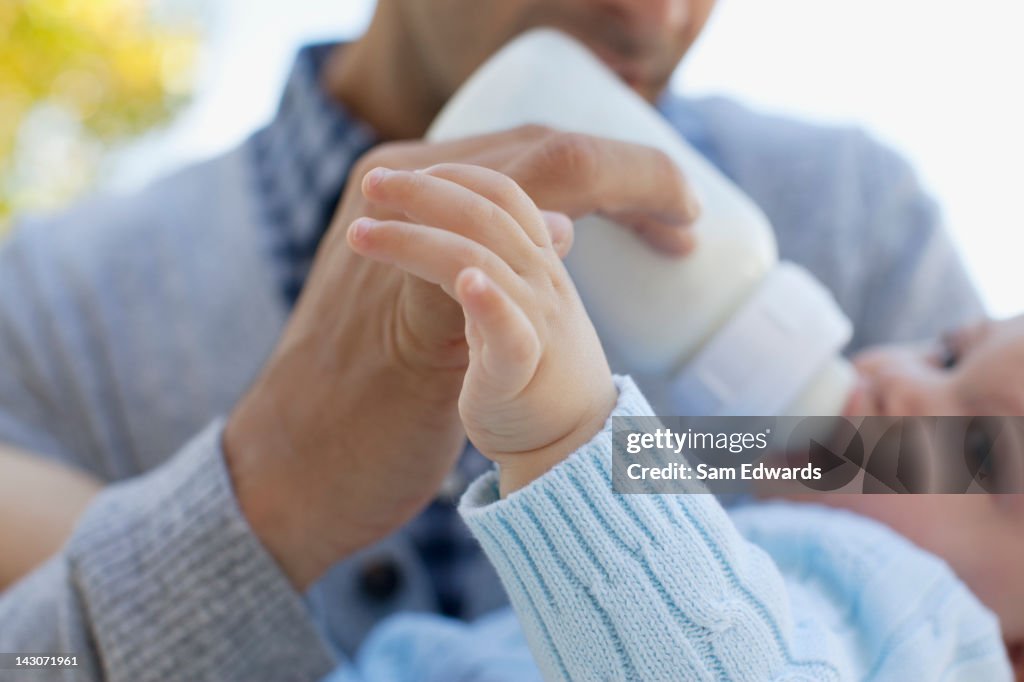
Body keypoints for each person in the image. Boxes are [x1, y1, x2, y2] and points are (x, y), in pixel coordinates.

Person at [0, 0, 986, 679]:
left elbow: (982, 499)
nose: (653, 17)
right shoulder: (53, 308)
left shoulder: (854, 215)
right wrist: (264, 493)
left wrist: (584, 453)